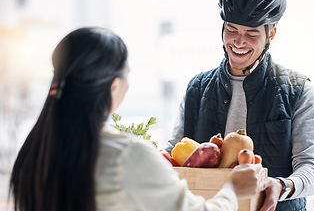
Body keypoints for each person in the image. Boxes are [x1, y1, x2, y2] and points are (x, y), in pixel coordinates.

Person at [9, 27, 270, 211]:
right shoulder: (127, 155)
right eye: (127, 75)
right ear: (113, 85)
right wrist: (233, 190)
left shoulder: (33, 153)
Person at [166, 0, 314, 210]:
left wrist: (282, 186)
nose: (239, 42)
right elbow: (171, 153)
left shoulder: (298, 91)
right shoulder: (196, 89)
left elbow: (311, 168)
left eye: (251, 34)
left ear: (271, 33)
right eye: (232, 30)